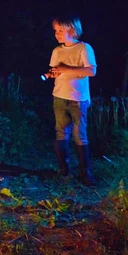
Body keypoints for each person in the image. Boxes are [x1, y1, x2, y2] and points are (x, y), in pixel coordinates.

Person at [45, 16, 97, 186]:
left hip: (78, 99)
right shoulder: (57, 51)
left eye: (60, 30)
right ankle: (64, 170)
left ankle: (85, 173)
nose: (57, 34)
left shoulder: (84, 48)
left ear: (72, 30)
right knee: (61, 132)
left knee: (79, 135)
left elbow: (91, 71)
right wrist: (54, 73)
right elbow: (55, 71)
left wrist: (65, 69)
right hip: (59, 96)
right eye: (55, 31)